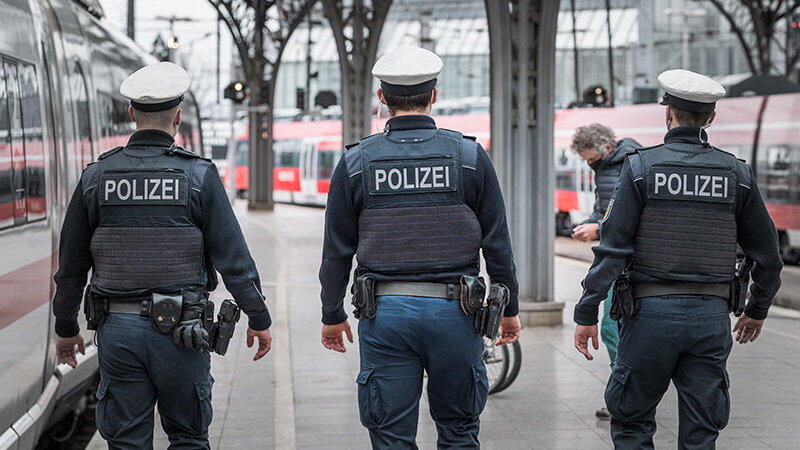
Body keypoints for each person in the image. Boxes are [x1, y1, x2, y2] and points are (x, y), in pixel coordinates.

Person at [53, 62, 273, 449]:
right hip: (182, 334)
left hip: (117, 332)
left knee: (126, 441)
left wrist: (66, 327)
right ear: (178, 115)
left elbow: (71, 268)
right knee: (188, 437)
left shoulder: (96, 177)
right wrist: (258, 316)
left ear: (131, 113)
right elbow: (234, 259)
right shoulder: (198, 176)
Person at [318, 46, 521, 448]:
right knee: (459, 430)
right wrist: (509, 310)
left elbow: (337, 250)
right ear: (434, 95)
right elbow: (497, 243)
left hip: (385, 316)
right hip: (457, 314)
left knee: (391, 435)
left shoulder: (356, 162)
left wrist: (332, 313)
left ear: (382, 98)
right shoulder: (469, 157)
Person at [573, 69, 783, 449]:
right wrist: (756, 310)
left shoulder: (640, 168)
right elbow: (768, 257)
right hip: (710, 319)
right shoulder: (737, 174)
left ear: (667, 112)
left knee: (632, 422)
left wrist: (587, 310)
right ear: (711, 118)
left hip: (649, 317)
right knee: (702, 430)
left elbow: (613, 250)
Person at [570, 124, 641, 420]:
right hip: (618, 260)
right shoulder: (605, 167)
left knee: (612, 328)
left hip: (624, 263)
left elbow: (630, 218)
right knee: (620, 329)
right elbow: (606, 210)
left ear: (607, 149)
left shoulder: (630, 164)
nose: (588, 163)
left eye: (591, 158)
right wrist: (590, 222)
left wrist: (597, 229)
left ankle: (624, 397)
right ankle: (628, 395)